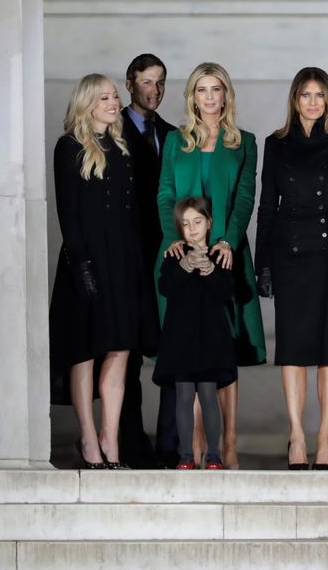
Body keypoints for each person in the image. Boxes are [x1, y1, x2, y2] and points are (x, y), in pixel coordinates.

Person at [254, 67, 328, 470]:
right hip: (290, 256)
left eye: (320, 95)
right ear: (295, 99)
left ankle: (325, 435)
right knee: (294, 350)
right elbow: (267, 208)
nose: (313, 102)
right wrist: (262, 264)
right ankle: (297, 435)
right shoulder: (276, 143)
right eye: (306, 94)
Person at [156, 62, 266, 470]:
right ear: (192, 96)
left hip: (225, 255)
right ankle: (194, 448)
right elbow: (166, 192)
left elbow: (243, 199)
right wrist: (174, 240)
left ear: (225, 95)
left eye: (215, 89)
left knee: (223, 353)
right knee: (187, 355)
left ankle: (227, 447)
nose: (208, 97)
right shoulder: (174, 141)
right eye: (201, 89)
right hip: (180, 254)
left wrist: (226, 240)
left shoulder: (245, 142)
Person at [49, 73, 158, 469]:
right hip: (87, 263)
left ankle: (111, 439)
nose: (114, 103)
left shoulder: (124, 148)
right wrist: (82, 266)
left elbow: (131, 216)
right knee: (85, 351)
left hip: (124, 262)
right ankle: (89, 438)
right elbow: (69, 213)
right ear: (87, 103)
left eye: (115, 96)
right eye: (105, 97)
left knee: (120, 348)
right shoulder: (69, 147)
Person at [119, 52, 177, 469]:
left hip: (166, 257)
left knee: (172, 350)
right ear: (130, 83)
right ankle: (131, 445)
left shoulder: (173, 134)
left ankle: (170, 446)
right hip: (127, 257)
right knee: (127, 356)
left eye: (159, 83)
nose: (153, 91)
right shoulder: (111, 129)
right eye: (146, 82)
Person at [153, 196, 236, 470]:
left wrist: (210, 270)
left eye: (197, 222)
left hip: (211, 339)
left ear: (209, 223)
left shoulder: (218, 256)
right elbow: (166, 287)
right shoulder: (174, 255)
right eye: (186, 224)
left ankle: (214, 454)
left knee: (209, 395)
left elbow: (227, 292)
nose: (192, 228)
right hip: (181, 340)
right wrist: (186, 266)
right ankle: (185, 455)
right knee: (184, 395)